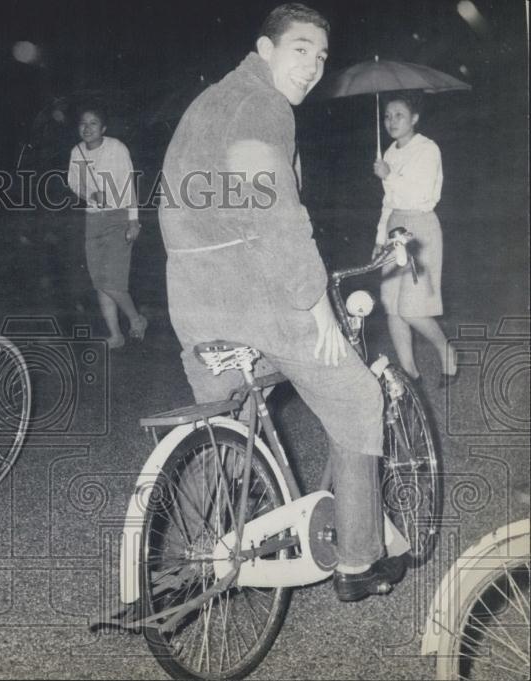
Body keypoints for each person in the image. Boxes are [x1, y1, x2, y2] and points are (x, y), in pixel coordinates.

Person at [159, 3, 405, 601]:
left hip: (192, 298)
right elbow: (271, 209)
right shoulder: (261, 105)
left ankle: (174, 568)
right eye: (301, 49)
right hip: (253, 293)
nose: (314, 66)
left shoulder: (209, 102)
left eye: (321, 56)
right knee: (356, 395)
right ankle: (357, 561)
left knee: (225, 423)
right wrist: (312, 297)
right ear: (265, 50)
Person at [373, 92, 458, 387]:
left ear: (414, 118)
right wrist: (380, 236)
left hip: (420, 228)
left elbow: (420, 195)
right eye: (387, 116)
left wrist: (388, 176)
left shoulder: (427, 149)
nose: (391, 121)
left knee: (412, 309)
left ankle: (447, 352)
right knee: (391, 303)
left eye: (398, 115)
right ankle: (410, 374)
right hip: (395, 226)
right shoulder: (390, 153)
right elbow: (389, 202)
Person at [67, 108, 147, 348]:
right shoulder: (77, 152)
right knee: (99, 281)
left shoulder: (116, 148)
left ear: (103, 128)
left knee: (112, 281)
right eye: (83, 123)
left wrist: (134, 220)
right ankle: (116, 335)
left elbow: (128, 185)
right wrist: (90, 193)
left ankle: (136, 319)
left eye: (93, 123)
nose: (87, 128)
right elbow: (74, 183)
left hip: (118, 217)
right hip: (93, 219)